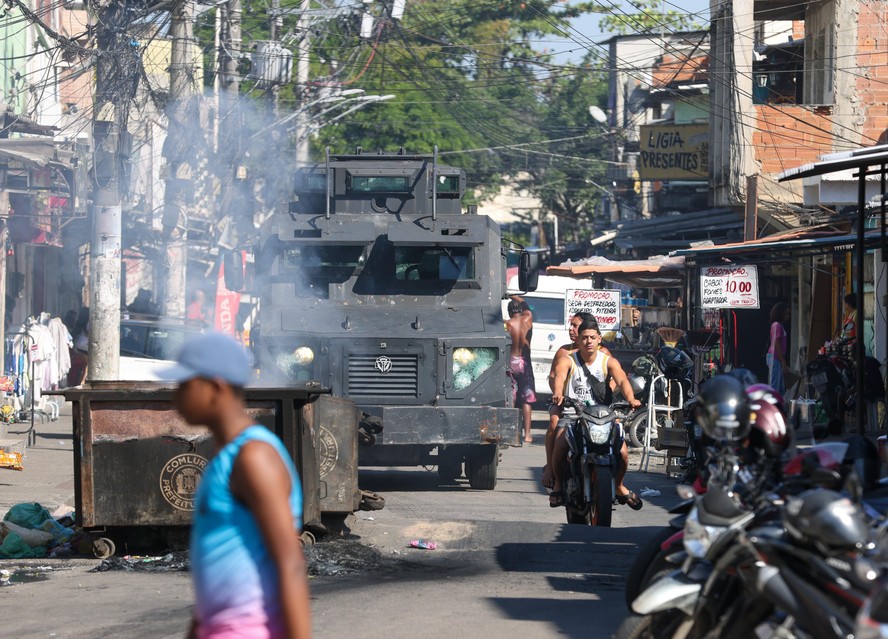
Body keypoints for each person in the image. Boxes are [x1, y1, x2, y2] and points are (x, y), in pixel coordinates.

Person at [160, 333, 311, 639]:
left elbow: (290, 564)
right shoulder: (225, 454)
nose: (175, 396)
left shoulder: (253, 457)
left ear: (215, 387)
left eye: (185, 385)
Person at [548, 318, 643, 509]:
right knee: (559, 444)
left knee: (623, 452)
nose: (588, 341)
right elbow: (558, 377)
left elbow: (623, 381)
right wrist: (558, 394)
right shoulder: (568, 360)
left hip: (603, 417)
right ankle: (558, 485)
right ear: (579, 340)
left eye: (592, 337)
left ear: (599, 339)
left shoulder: (609, 361)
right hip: (573, 415)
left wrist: (631, 398)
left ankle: (618, 486)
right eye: (584, 338)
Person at [541, 312, 612, 489]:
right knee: (554, 421)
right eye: (571, 325)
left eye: (575, 326)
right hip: (567, 403)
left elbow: (616, 378)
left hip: (597, 407)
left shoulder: (603, 352)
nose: (571, 329)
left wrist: (606, 392)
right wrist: (559, 393)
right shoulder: (563, 351)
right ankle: (551, 469)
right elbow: (553, 377)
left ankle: (616, 482)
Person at [505, 295, 536, 443]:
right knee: (526, 399)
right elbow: (526, 306)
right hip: (524, 362)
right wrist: (513, 295)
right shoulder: (527, 319)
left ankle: (510, 433)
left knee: (511, 396)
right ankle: (527, 435)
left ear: (510, 311)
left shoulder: (507, 324)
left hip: (511, 361)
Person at [766, 302, 790, 395]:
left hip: (776, 358)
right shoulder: (777, 325)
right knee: (775, 386)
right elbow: (777, 343)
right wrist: (783, 362)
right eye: (786, 314)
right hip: (774, 357)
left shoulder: (778, 326)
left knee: (780, 389)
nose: (787, 317)